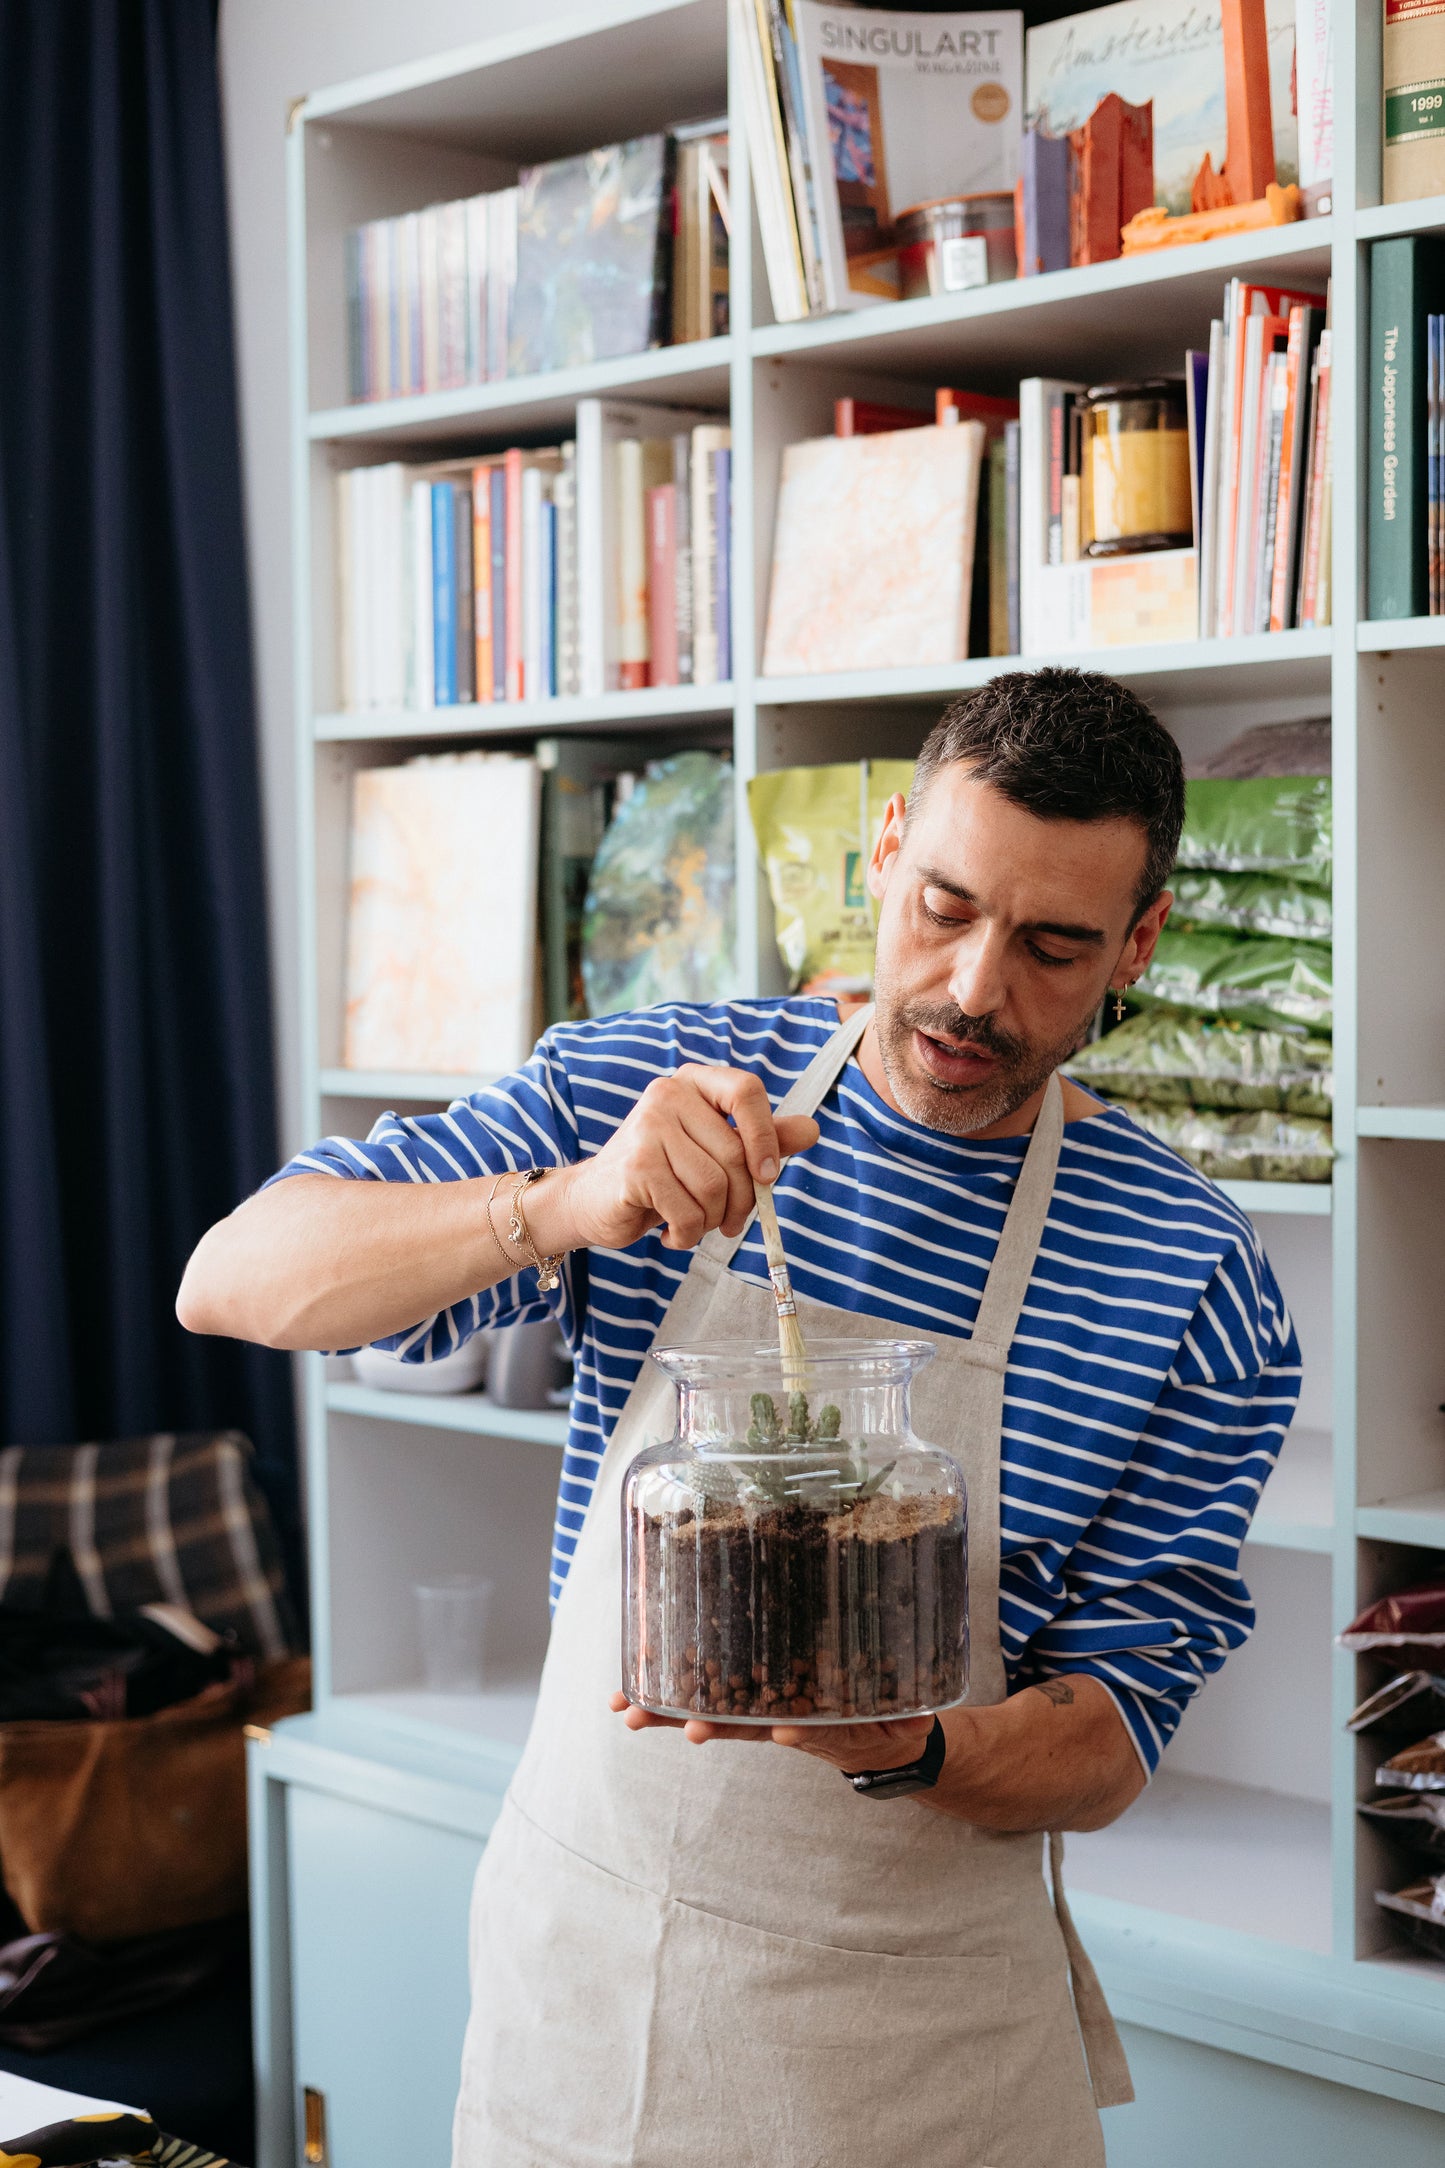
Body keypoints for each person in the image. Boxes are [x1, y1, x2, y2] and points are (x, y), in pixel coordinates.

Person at [178, 668, 1301, 2167]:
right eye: (946, 907)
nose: (975, 990)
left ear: (1137, 944)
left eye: (1050, 948)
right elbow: (233, 1278)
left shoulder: (1193, 1278)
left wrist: (899, 1746)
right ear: (885, 848)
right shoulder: (653, 1088)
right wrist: (574, 1203)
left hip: (922, 2066)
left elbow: (1111, 1730)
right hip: (583, 2010)